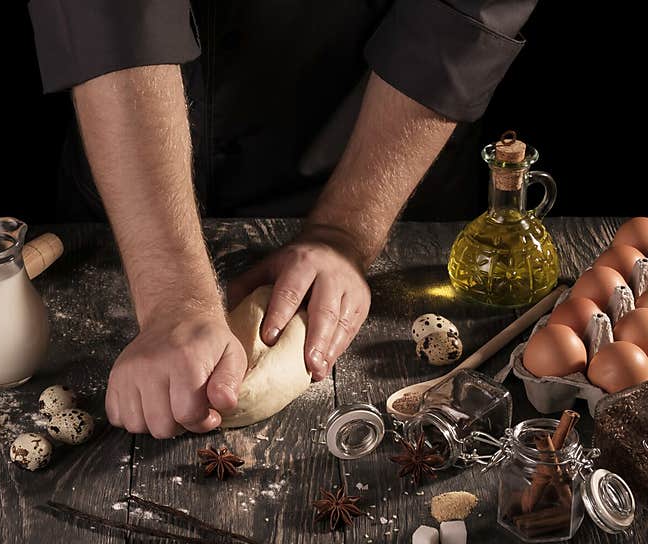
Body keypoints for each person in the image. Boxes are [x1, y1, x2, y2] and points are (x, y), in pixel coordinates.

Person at [28, 0, 537, 438]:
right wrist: (169, 294)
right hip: (133, 168)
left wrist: (346, 231)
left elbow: (464, 11)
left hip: (379, 134)